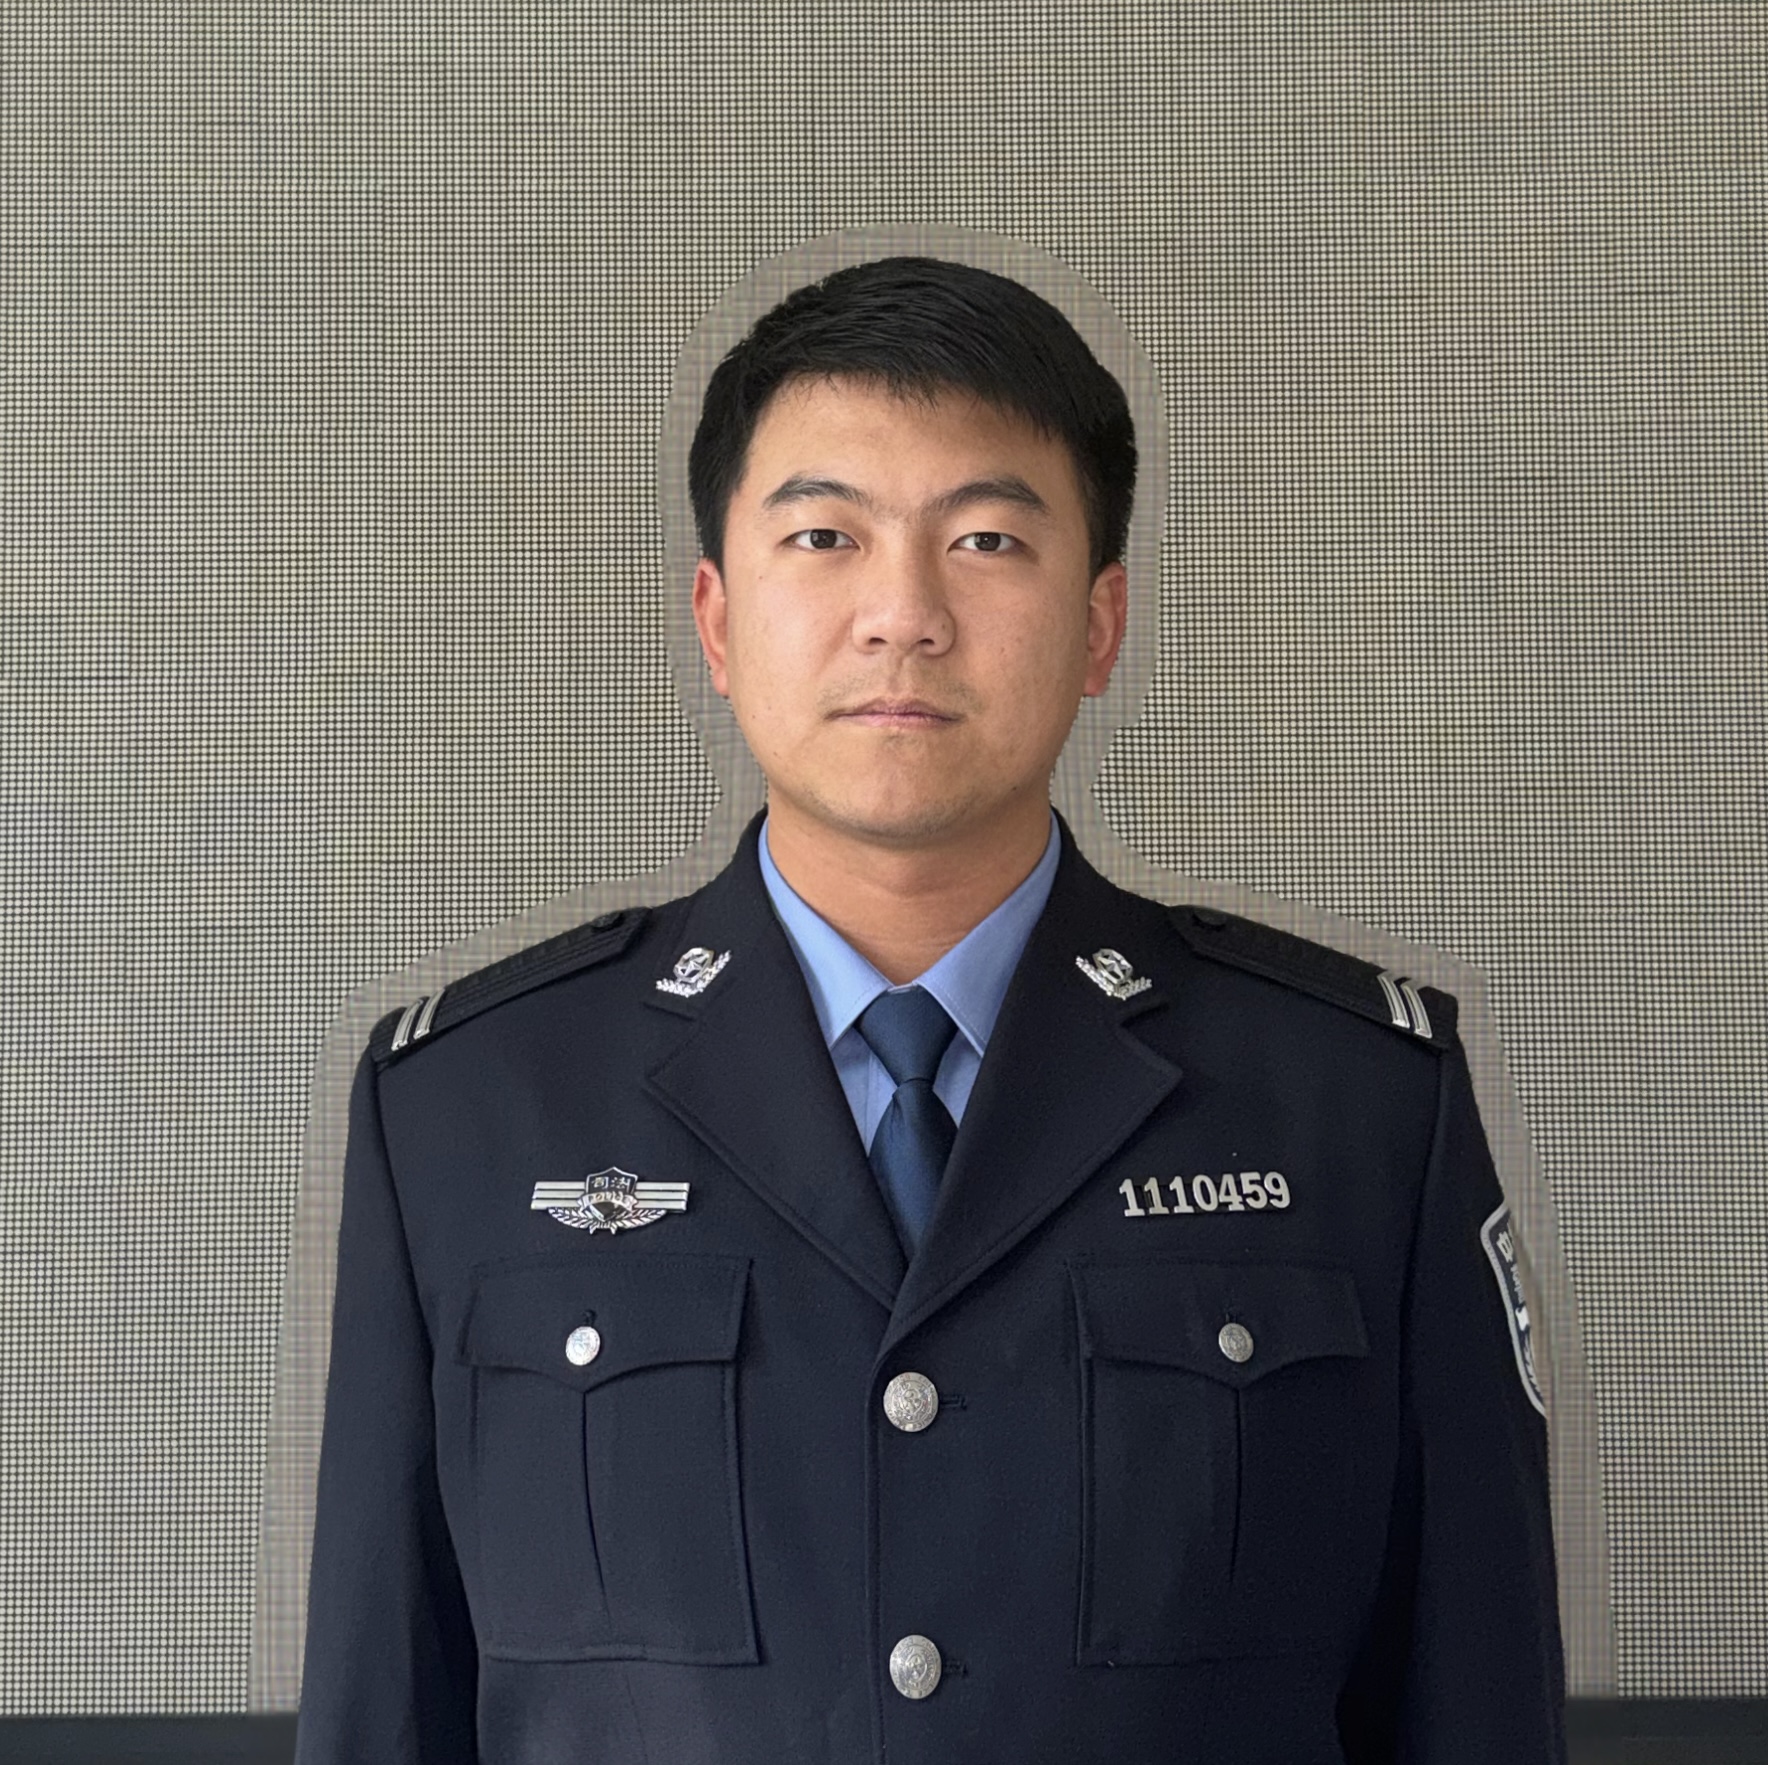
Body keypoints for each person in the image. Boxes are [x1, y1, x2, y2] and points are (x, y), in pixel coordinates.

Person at [295, 255, 1567, 1763]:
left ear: (1100, 625)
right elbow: (385, 1701)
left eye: (985, 540)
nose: (903, 615)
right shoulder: (467, 1108)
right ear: (717, 620)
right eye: (825, 537)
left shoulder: (1356, 1102)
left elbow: (1474, 1697)